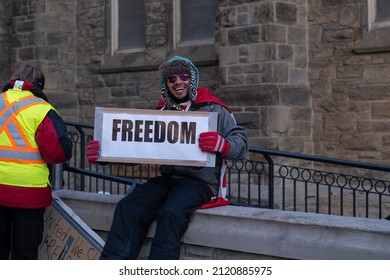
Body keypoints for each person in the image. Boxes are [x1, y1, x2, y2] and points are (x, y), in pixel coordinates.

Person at [87, 56, 248, 259]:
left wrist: (223, 145)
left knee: (171, 212)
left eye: (183, 76)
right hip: (168, 178)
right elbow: (138, 147)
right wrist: (105, 153)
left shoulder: (214, 108)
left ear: (193, 79)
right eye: (172, 79)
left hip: (200, 182)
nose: (178, 82)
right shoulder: (161, 112)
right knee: (129, 207)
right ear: (166, 84)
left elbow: (241, 142)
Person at [0, 64, 73, 260]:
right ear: (39, 85)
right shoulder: (41, 109)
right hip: (28, 192)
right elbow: (58, 152)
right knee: (25, 252)